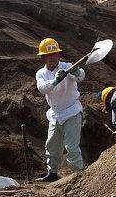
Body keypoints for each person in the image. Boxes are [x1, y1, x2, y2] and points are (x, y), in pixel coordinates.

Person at [35, 37, 85, 182]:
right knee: (52, 145)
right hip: (55, 114)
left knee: (71, 146)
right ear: (44, 57)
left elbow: (81, 76)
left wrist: (76, 72)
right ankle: (52, 173)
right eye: (48, 56)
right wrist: (56, 80)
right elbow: (42, 88)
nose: (52, 58)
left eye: (54, 55)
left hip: (72, 111)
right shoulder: (41, 74)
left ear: (58, 55)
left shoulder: (67, 66)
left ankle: (79, 174)